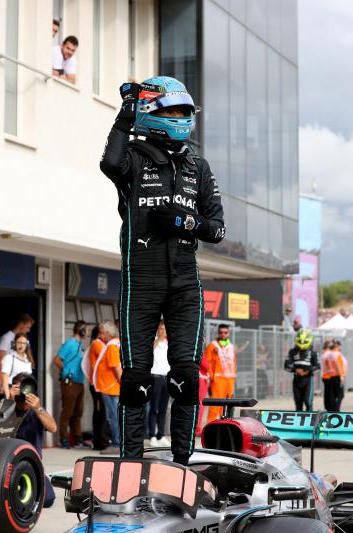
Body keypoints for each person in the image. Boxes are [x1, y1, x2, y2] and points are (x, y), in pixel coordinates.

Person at [99, 76, 225, 465]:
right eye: (172, 110)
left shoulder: (198, 166)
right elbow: (109, 162)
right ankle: (131, 463)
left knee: (187, 375)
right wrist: (125, 113)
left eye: (185, 111)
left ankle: (183, 462)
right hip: (141, 279)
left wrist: (183, 222)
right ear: (151, 113)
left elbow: (217, 228)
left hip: (186, 283)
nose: (181, 117)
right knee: (135, 380)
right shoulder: (133, 159)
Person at [9, 374, 57, 508]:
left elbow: (53, 428)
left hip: (32, 464)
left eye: (26, 387)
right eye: (19, 387)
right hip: (7, 464)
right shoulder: (7, 407)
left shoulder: (37, 412)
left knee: (48, 499)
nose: (24, 392)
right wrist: (8, 400)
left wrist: (38, 409)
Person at [53, 320, 87, 448]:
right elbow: (57, 360)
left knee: (78, 411)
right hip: (70, 382)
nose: (87, 333)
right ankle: (64, 439)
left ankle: (77, 438)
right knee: (67, 411)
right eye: (86, 330)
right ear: (81, 330)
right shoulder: (70, 344)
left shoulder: (79, 345)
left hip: (79, 382)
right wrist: (67, 372)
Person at [92, 321, 122, 452]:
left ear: (108, 334)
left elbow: (116, 367)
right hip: (110, 387)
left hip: (110, 387)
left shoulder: (111, 346)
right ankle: (117, 441)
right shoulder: (115, 344)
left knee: (112, 417)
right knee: (113, 416)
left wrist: (123, 383)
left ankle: (116, 443)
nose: (100, 335)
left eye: (102, 332)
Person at [0, 314, 35, 394]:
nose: (28, 330)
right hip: (10, 384)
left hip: (23, 386)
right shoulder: (6, 338)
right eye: (27, 327)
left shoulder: (26, 341)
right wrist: (0, 383)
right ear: (21, 324)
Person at [206, 324, 237, 422]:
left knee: (228, 405)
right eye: (221, 332)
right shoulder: (212, 345)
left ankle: (227, 425)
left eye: (225, 332)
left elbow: (234, 362)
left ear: (229, 333)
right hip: (217, 380)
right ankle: (210, 426)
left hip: (230, 380)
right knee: (215, 404)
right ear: (218, 333)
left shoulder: (231, 346)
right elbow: (207, 363)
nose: (223, 334)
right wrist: (210, 377)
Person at [86, 325, 110, 450]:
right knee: (101, 413)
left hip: (100, 385)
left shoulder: (99, 344)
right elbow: (107, 357)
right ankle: (100, 441)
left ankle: (100, 440)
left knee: (101, 413)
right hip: (97, 385)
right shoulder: (97, 344)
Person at [285, 328, 320, 411]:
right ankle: (299, 421)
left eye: (304, 341)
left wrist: (307, 371)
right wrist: (295, 370)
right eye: (300, 341)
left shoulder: (313, 353)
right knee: (298, 403)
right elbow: (286, 366)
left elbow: (318, 367)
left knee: (308, 402)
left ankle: (310, 419)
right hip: (297, 379)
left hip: (308, 380)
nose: (302, 343)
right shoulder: (292, 351)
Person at [149, 321, 170, 446]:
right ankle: (152, 435)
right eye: (160, 329)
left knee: (163, 409)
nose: (162, 331)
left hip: (166, 377)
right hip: (155, 377)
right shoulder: (154, 341)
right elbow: (150, 349)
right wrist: (159, 338)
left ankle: (160, 435)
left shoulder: (168, 343)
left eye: (164, 329)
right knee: (154, 408)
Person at [1, 333, 34, 400]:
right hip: (13, 390)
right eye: (19, 342)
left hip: (26, 391)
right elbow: (5, 380)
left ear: (27, 345)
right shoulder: (9, 358)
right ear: (14, 344)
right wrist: (8, 396)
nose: (21, 345)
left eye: (24, 343)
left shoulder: (28, 360)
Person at [321, 340, 346, 412]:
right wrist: (341, 375)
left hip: (327, 376)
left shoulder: (326, 354)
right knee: (339, 395)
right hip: (335, 375)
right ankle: (335, 409)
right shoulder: (335, 354)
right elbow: (337, 365)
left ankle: (331, 409)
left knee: (330, 394)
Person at [196, 340, 211, 436]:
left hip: (199, 379)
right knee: (200, 405)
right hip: (201, 381)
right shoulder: (199, 353)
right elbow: (206, 366)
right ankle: (197, 428)